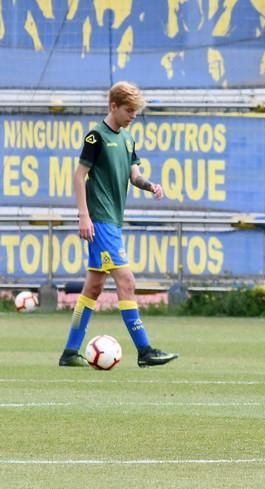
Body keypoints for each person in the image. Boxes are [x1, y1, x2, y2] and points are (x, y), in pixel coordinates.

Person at [58, 81, 178, 368]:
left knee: (94, 288)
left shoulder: (127, 139)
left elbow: (134, 176)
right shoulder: (95, 138)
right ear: (113, 106)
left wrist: (150, 185)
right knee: (126, 281)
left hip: (113, 220)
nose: (133, 116)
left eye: (135, 111)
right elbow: (79, 177)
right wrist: (84, 216)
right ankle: (145, 350)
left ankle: (69, 352)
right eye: (129, 110)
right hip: (101, 222)